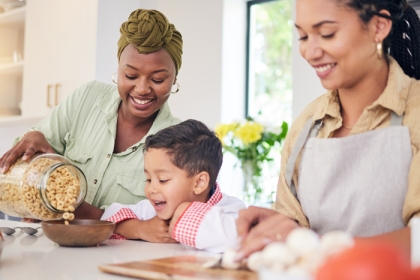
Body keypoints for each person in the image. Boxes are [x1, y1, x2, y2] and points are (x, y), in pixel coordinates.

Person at [235, 0, 420, 261]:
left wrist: (314, 245)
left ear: (379, 27)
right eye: (302, 36)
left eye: (327, 34)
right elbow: (292, 231)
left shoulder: (415, 113)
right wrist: (272, 233)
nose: (309, 52)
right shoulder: (306, 125)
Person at [0, 9, 183, 243]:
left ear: (174, 78)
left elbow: (161, 224)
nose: (142, 89)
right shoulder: (87, 98)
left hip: (121, 259)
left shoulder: (177, 143)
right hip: (54, 247)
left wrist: (71, 207)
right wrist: (33, 138)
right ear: (118, 69)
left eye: (157, 79)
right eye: (130, 75)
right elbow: (27, 162)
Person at [101, 119, 246, 253]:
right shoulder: (152, 210)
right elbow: (108, 220)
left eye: (163, 180)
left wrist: (184, 212)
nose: (151, 189)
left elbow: (241, 238)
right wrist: (141, 228)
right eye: (148, 179)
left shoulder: (232, 209)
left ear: (199, 183)